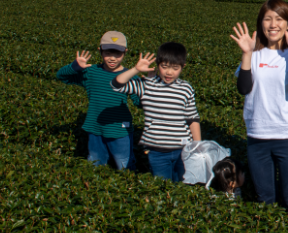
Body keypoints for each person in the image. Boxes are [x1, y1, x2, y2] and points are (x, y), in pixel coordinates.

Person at [231, 0, 288, 216]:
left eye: (279, 19)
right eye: (267, 19)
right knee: (264, 200)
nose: (273, 24)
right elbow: (244, 88)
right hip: (257, 137)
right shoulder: (254, 55)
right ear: (260, 24)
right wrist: (246, 53)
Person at [112, 42, 201, 182]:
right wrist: (136, 69)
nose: (169, 72)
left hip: (183, 150)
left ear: (183, 67)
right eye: (164, 67)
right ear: (158, 64)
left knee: (183, 186)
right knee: (162, 187)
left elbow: (192, 119)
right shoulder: (147, 85)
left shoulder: (186, 88)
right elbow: (116, 84)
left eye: (175, 68)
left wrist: (198, 145)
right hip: (157, 152)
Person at [55, 31, 140, 171]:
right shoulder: (91, 72)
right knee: (95, 163)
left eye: (117, 54)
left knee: (124, 164)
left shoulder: (129, 76)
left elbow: (138, 101)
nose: (112, 58)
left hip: (119, 129)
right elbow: (61, 76)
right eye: (107, 53)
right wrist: (75, 66)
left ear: (125, 52)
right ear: (100, 51)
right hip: (95, 127)